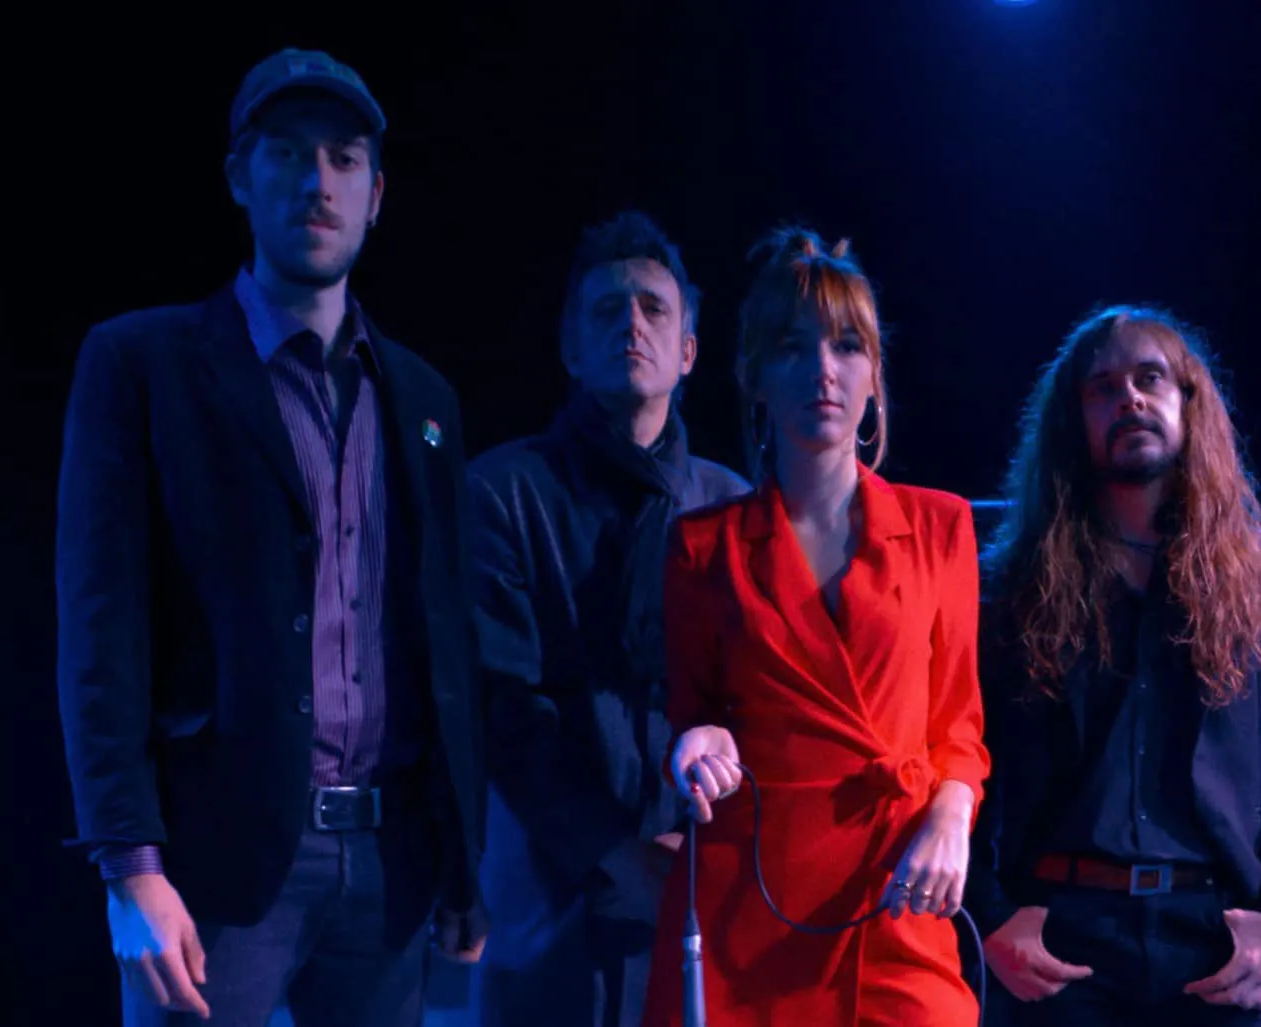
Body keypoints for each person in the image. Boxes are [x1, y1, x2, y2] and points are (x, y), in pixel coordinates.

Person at [55, 48, 488, 1026]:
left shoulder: (423, 395)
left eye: (343, 158)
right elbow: (100, 629)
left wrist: (462, 859)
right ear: (238, 176)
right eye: (288, 152)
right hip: (213, 863)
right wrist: (129, 865)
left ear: (376, 195)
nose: (316, 181)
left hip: (390, 862)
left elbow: (447, 640)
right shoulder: (142, 363)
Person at [642, 227, 990, 1026]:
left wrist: (951, 814)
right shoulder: (703, 546)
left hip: (895, 889)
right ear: (755, 376)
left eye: (846, 345)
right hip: (753, 904)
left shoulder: (941, 528)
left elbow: (959, 728)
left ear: (874, 375)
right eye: (794, 347)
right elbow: (692, 716)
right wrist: (698, 745)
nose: (823, 369)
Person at [968, 306, 1261, 1026]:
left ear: (1187, 401)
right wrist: (991, 913)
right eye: (1103, 387)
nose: (1129, 399)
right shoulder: (1015, 579)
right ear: (1074, 419)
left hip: (1215, 934)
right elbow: (965, 749)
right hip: (1062, 937)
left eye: (1150, 378)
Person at [467, 210, 751, 1026]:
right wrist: (617, 855)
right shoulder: (504, 492)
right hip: (550, 906)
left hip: (698, 894)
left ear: (688, 351)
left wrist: (693, 849)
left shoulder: (729, 505)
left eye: (654, 308)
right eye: (607, 308)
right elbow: (504, 710)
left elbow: (755, 701)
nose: (632, 323)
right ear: (570, 347)